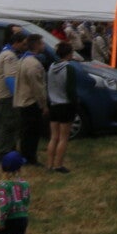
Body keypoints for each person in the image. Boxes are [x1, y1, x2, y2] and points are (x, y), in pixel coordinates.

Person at [44, 42, 78, 174]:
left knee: (54, 136)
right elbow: (70, 90)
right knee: (63, 137)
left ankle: (49, 164)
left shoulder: (52, 66)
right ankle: (58, 164)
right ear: (69, 54)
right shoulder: (69, 68)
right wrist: (74, 103)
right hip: (65, 104)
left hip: (53, 103)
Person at [13, 38, 48, 166]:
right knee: (32, 132)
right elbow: (37, 87)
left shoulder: (23, 60)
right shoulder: (33, 64)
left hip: (22, 100)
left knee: (26, 131)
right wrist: (43, 105)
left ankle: (25, 155)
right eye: (42, 43)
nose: (44, 45)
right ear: (37, 45)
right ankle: (30, 157)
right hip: (31, 102)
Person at [0, 33, 21, 160]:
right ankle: (4, 152)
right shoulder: (9, 56)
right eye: (23, 43)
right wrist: (17, 95)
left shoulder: (5, 52)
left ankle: (8, 151)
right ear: (17, 43)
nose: (25, 46)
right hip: (6, 96)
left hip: (2, 95)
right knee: (8, 124)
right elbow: (10, 78)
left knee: (6, 124)